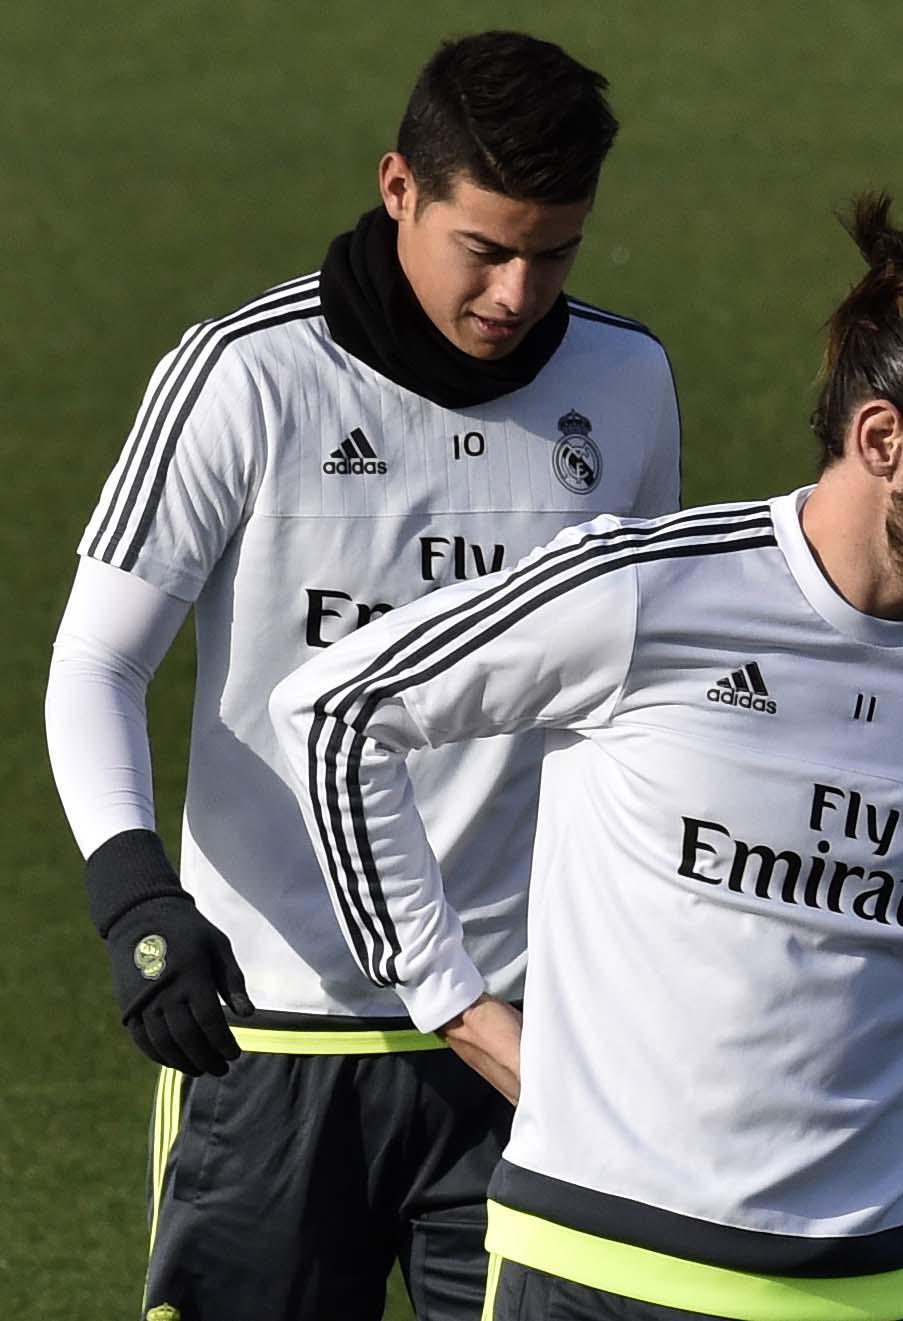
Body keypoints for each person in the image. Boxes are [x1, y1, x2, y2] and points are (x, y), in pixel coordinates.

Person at [271, 194, 903, 1321]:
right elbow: (336, 707)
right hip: (591, 1270)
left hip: (865, 1285)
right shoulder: (646, 590)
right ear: (883, 441)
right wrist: (453, 1001)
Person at [42, 30, 679, 1321]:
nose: (517, 291)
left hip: (520, 1035)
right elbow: (96, 660)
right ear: (400, 189)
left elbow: (637, 687)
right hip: (272, 1029)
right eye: (485, 249)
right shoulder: (243, 376)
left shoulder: (626, 382)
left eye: (554, 251)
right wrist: (132, 899)